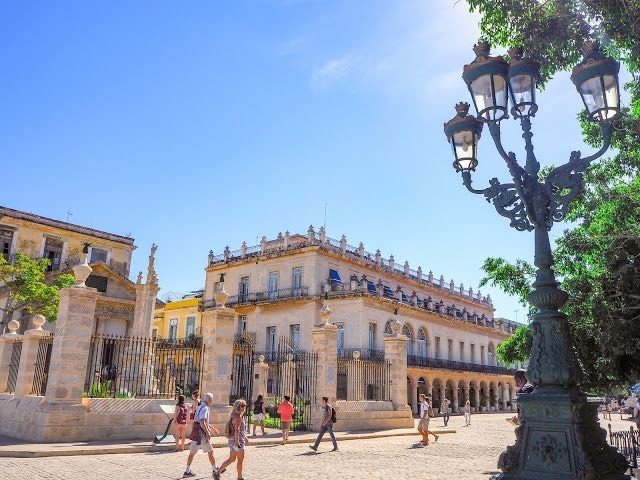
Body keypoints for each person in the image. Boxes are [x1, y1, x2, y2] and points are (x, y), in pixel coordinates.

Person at [184, 392, 220, 478]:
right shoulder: (205, 408)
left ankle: (187, 471)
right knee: (210, 452)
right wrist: (208, 432)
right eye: (211, 400)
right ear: (209, 400)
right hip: (202, 433)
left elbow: (199, 420)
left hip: (196, 432)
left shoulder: (199, 407)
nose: (212, 401)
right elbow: (202, 421)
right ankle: (215, 470)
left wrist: (212, 428)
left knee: (192, 452)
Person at [215, 399, 250, 480]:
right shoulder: (238, 417)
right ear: (238, 407)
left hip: (231, 440)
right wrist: (237, 442)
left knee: (232, 459)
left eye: (244, 406)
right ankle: (239, 477)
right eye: (242, 406)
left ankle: (218, 472)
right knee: (240, 460)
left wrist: (244, 437)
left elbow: (238, 430)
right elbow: (237, 430)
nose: (244, 407)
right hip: (237, 441)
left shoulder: (233, 416)